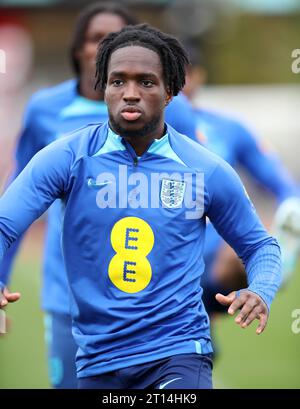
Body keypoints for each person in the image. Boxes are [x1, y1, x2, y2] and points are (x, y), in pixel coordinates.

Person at [0, 24, 281, 389]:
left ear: (170, 91)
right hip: (98, 360)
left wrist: (261, 288)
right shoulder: (67, 158)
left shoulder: (204, 168)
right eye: (118, 81)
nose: (130, 93)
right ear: (102, 86)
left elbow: (259, 246)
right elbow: (5, 223)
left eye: (146, 82)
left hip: (178, 352)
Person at [0, 3, 199, 389]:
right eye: (96, 39)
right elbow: (16, 202)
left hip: (154, 298)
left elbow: (202, 194)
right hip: (70, 293)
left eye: (119, 38)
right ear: (79, 50)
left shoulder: (179, 111)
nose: (105, 46)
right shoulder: (45, 110)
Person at [183, 48, 299, 331]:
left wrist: (286, 220)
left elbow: (284, 187)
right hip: (153, 246)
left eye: (183, 74)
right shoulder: (134, 132)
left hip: (214, 256)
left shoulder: (227, 129)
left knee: (242, 251)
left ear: (199, 77)